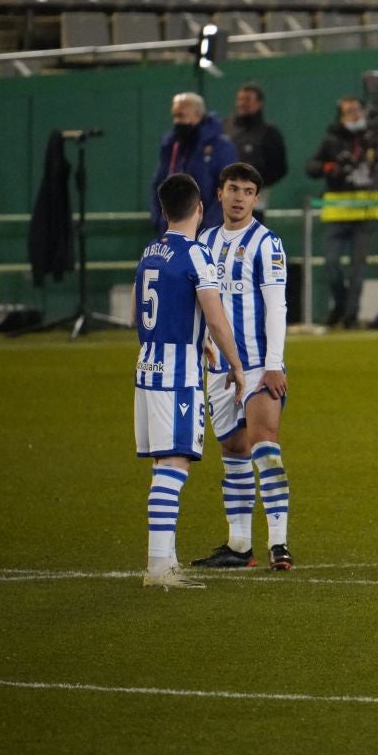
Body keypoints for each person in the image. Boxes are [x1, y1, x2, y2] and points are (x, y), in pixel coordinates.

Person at [135, 173, 245, 590]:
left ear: (164, 210)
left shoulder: (151, 250)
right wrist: (235, 364)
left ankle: (165, 558)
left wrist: (194, 341)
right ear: (200, 209)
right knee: (175, 464)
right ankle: (159, 568)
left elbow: (139, 310)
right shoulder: (198, 255)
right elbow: (215, 317)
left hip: (147, 367)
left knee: (164, 463)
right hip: (178, 376)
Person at [188, 162, 295, 573]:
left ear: (256, 198)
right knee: (233, 450)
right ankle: (239, 545)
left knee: (265, 443)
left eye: (248, 191)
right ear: (219, 193)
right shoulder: (205, 242)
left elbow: (276, 306)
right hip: (217, 368)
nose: (239, 197)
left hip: (257, 366)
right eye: (233, 188)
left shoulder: (267, 243)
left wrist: (273, 365)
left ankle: (280, 544)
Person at [305, 95, 378, 329]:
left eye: (357, 110)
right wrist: (328, 168)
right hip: (337, 212)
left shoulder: (376, 138)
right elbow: (311, 166)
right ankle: (340, 306)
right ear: (340, 116)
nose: (354, 115)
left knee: (358, 270)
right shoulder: (331, 140)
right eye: (348, 112)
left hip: (367, 211)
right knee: (332, 265)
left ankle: (349, 317)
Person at [149, 92, 238, 235]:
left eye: (181, 115)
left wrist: (207, 229)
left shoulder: (221, 147)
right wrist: (160, 220)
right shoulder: (172, 145)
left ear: (198, 115)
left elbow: (228, 190)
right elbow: (159, 184)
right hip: (172, 232)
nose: (176, 121)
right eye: (174, 115)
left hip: (209, 235)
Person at [224, 83, 288, 220]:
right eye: (240, 99)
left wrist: (252, 185)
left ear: (259, 104)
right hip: (224, 200)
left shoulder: (269, 133)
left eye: (247, 100)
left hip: (255, 204)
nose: (242, 103)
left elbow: (279, 168)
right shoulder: (225, 127)